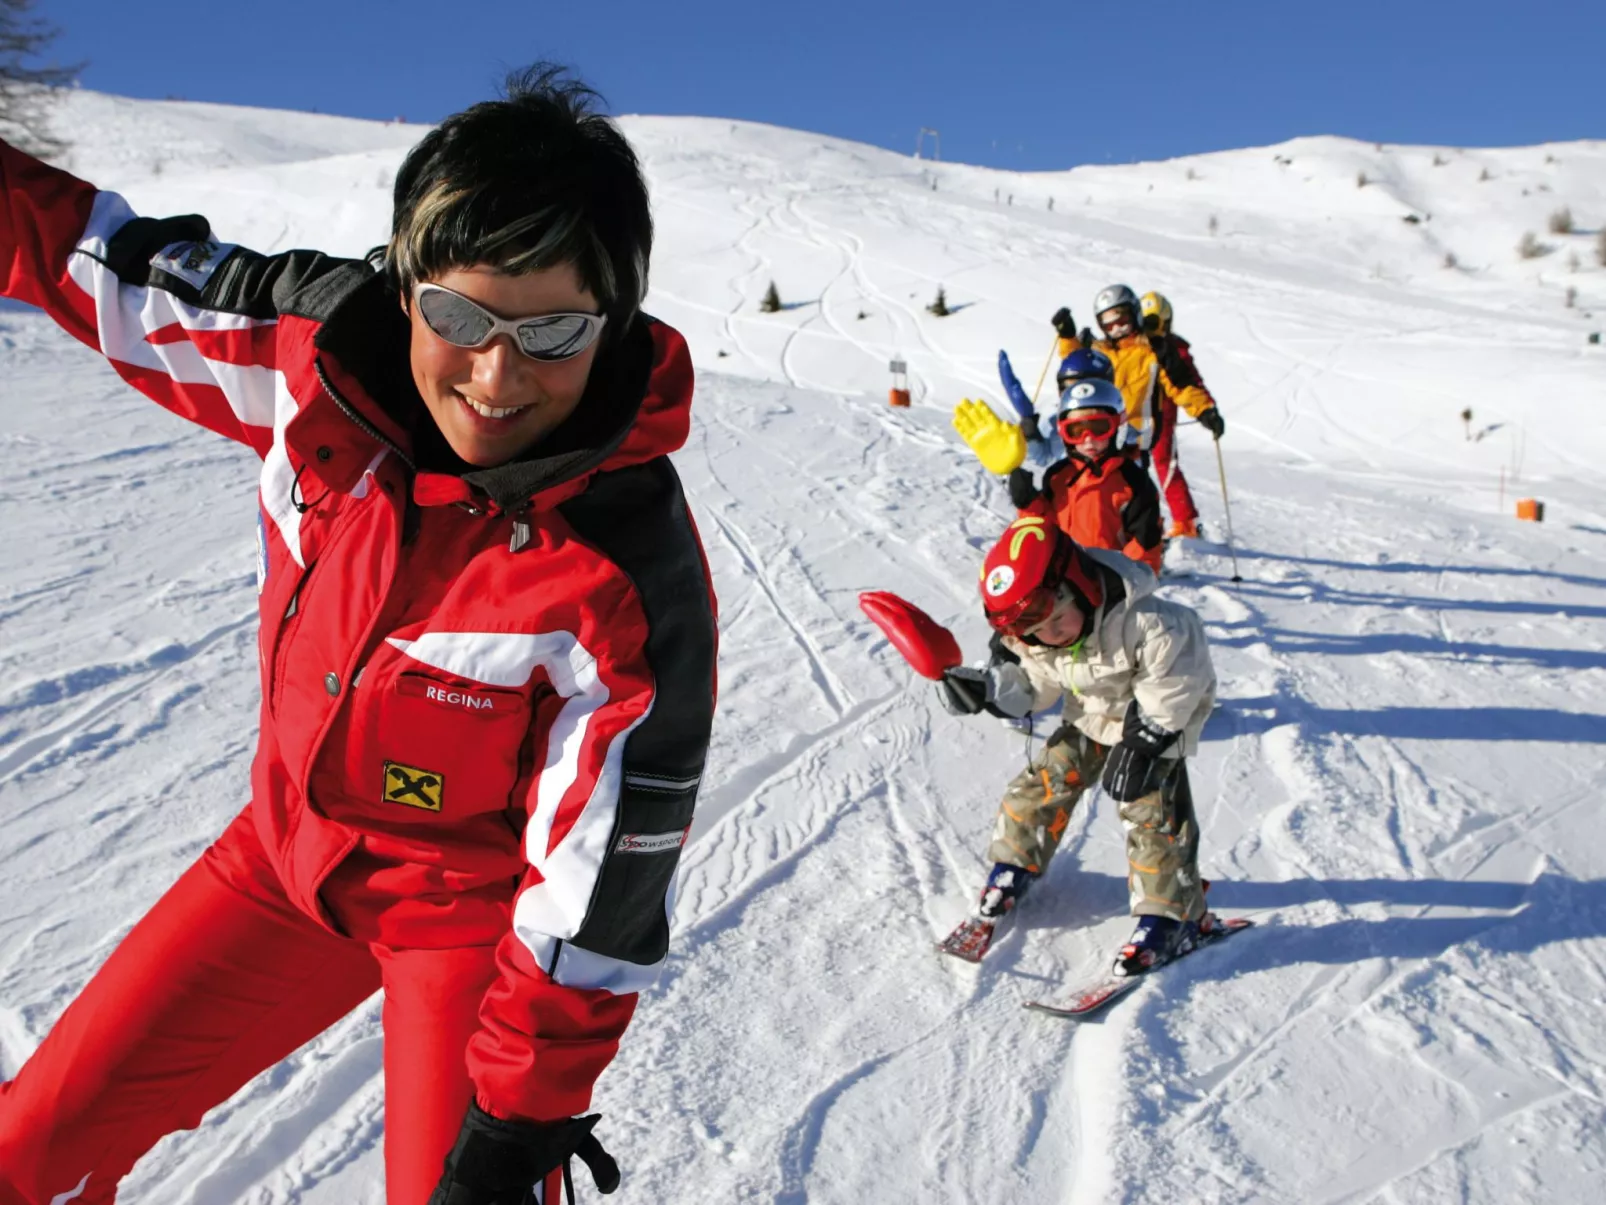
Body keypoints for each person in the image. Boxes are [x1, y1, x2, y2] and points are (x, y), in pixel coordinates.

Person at [0, 66, 717, 1205]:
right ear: (402, 292)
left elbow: (597, 896)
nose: (496, 375)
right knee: (23, 1149)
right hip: (283, 862)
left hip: (462, 923)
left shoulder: (621, 575)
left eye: (554, 331)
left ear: (614, 319)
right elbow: (89, 257)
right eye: (458, 317)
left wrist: (516, 1119)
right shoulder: (314, 359)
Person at [935, 516, 1218, 974]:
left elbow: (1180, 683)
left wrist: (1148, 739)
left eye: (1056, 620)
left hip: (1153, 723)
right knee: (1038, 787)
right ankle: (1015, 867)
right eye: (1037, 633)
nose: (1051, 636)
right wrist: (991, 691)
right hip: (1089, 720)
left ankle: (1173, 918)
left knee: (1153, 817)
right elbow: (1036, 688)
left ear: (1079, 586)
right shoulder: (1042, 638)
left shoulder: (1153, 623)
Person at [1050, 287, 1224, 539]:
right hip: (1102, 430)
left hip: (1135, 436)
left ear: (1135, 315)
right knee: (1096, 487)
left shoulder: (1154, 351)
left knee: (1133, 491)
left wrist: (1204, 410)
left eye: (1122, 321)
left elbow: (1181, 384)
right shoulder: (1102, 351)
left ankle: (1151, 539)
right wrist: (1067, 336)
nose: (1117, 329)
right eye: (1109, 325)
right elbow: (1078, 368)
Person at [1006, 378, 1163, 575]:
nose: (1088, 439)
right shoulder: (1058, 476)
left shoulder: (1133, 483)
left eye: (1098, 429)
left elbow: (1145, 548)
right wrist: (1029, 504)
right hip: (1065, 582)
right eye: (1077, 431)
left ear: (1118, 426)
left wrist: (1116, 585)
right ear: (1064, 433)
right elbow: (1044, 530)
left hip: (1114, 588)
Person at [1138, 290, 1224, 540]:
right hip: (1132, 413)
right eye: (1144, 325)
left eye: (1153, 324)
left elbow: (1188, 382)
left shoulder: (1172, 350)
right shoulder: (1134, 347)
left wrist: (1206, 410)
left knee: (1164, 461)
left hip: (1161, 413)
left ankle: (1184, 521)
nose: (1149, 331)